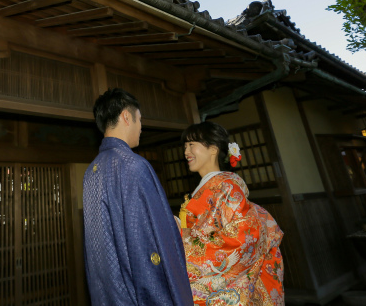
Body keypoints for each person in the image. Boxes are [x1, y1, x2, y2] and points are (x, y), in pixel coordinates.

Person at [83, 88, 193, 306]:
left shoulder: (91, 171)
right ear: (126, 116)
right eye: (139, 119)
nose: (141, 127)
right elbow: (146, 246)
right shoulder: (133, 165)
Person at [178, 121, 285, 306]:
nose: (186, 152)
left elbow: (242, 238)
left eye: (191, 145)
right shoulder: (208, 188)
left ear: (213, 149)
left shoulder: (227, 187)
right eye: (185, 146)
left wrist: (181, 236)